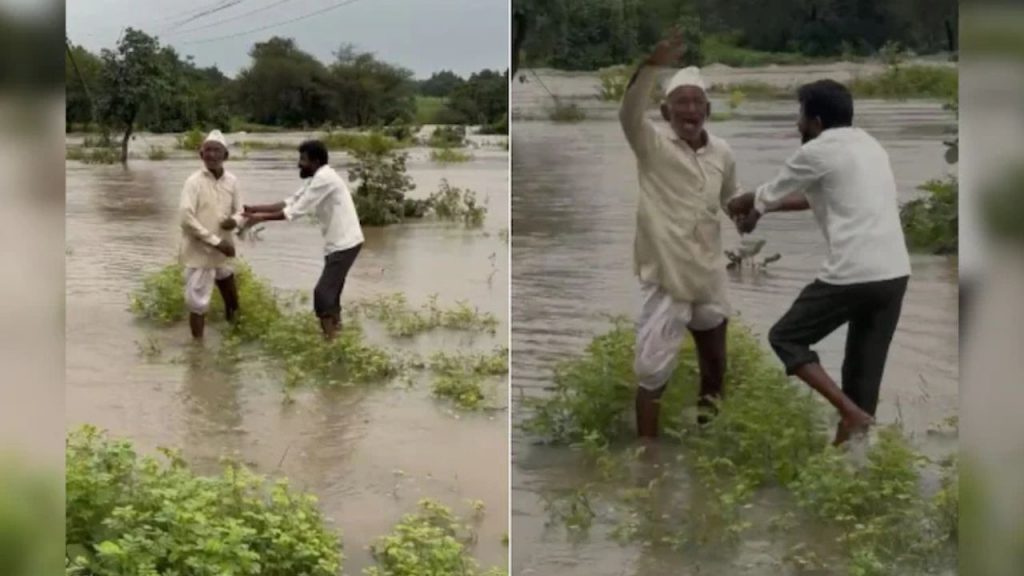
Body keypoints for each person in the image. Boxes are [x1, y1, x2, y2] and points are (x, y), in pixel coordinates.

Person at [727, 79, 912, 446]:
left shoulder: (816, 151)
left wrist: (743, 208)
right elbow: (815, 198)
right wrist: (764, 209)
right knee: (863, 377)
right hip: (894, 274)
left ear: (815, 120)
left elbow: (765, 194)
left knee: (786, 337)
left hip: (854, 273)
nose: (798, 124)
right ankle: (852, 465)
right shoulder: (870, 146)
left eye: (800, 116)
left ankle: (849, 414)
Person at [620, 30, 741, 438]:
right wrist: (652, 65)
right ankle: (647, 456)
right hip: (668, 278)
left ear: (708, 109)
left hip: (708, 275)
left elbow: (729, 200)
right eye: (681, 102)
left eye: (697, 103)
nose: (690, 109)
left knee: (715, 369)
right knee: (653, 374)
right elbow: (628, 111)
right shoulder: (651, 144)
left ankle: (708, 440)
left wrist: (752, 210)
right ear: (665, 110)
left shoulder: (722, 152)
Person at [242, 140, 364, 341]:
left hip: (345, 244)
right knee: (332, 293)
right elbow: (290, 201)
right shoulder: (316, 177)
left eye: (302, 160)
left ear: (315, 161)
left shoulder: (324, 178)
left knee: (322, 294)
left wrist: (260, 219)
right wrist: (255, 209)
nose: (299, 164)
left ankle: (330, 342)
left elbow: (295, 211)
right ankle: (337, 334)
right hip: (338, 244)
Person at [179, 129, 244, 339]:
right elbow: (186, 219)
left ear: (225, 156)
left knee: (232, 298)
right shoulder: (193, 182)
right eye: (207, 150)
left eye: (217, 151)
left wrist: (235, 220)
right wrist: (216, 242)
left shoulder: (232, 181)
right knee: (198, 304)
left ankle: (234, 338)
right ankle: (197, 352)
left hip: (223, 250)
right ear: (201, 155)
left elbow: (240, 210)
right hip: (200, 252)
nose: (212, 155)